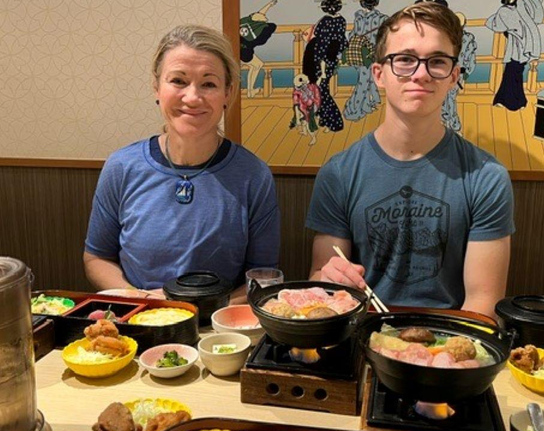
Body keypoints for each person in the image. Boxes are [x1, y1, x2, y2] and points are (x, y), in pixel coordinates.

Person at [306, 3, 514, 319]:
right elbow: (321, 283)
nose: (421, 74)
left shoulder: (487, 177)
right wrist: (327, 280)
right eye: (404, 60)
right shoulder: (338, 174)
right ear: (378, 74)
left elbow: (482, 304)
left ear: (453, 76)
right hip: (361, 333)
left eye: (437, 62)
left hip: (450, 340)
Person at [84, 25, 280, 303]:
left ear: (228, 93)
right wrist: (142, 300)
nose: (192, 97)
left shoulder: (253, 175)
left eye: (209, 83)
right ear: (157, 87)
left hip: (219, 330)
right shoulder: (121, 167)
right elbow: (97, 257)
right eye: (178, 81)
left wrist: (193, 308)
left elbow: (263, 275)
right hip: (139, 320)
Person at [485, 0, 544, 111]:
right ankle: (513, 101)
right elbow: (500, 25)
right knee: (511, 73)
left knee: (514, 73)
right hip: (515, 47)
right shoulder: (504, 10)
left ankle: (512, 101)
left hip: (521, 47)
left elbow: (535, 18)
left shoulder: (521, 7)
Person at [302, 0, 348, 132]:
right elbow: (341, 41)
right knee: (322, 89)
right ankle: (324, 117)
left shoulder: (324, 21)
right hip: (331, 57)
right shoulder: (342, 21)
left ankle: (332, 120)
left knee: (320, 89)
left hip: (319, 57)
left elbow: (320, 41)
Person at [343, 0, 389, 122]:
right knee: (365, 81)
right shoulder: (382, 18)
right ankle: (353, 110)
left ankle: (365, 105)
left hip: (358, 53)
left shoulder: (358, 17)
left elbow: (352, 35)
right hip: (371, 53)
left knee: (365, 79)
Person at [240, 0, 279, 98]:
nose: (265, 17)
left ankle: (250, 91)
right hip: (245, 51)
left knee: (257, 65)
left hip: (239, 48)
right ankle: (249, 91)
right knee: (257, 65)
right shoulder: (258, 31)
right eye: (264, 18)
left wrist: (270, 5)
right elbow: (260, 14)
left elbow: (260, 13)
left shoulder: (247, 21)